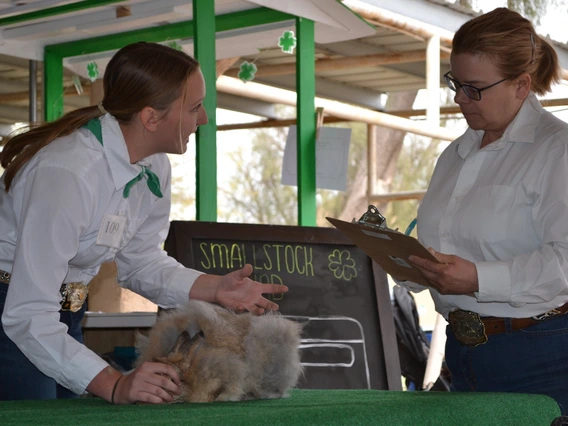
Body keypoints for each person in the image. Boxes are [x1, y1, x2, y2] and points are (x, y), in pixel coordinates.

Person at [0, 42, 288, 404]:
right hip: (15, 316)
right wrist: (115, 384)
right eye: (195, 107)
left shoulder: (154, 165)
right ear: (151, 117)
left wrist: (214, 288)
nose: (204, 119)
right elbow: (26, 313)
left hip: (60, 317)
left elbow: (140, 260)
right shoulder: (69, 172)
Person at [401, 8, 568, 413]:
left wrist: (476, 278)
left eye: (473, 88)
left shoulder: (557, 149)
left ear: (521, 85)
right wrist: (405, 262)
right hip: (461, 354)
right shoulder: (455, 154)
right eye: (455, 84)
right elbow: (444, 247)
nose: (459, 98)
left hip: (542, 356)